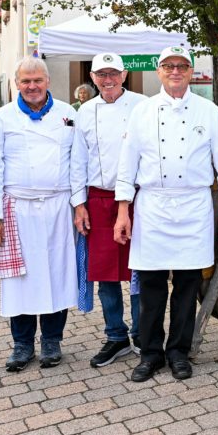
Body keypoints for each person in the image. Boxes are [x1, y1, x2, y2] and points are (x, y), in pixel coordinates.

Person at [114, 46, 218, 382]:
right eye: (168, 66)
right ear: (159, 71)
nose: (175, 71)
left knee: (187, 287)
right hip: (152, 206)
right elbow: (127, 164)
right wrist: (122, 211)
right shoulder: (142, 112)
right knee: (151, 288)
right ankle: (151, 354)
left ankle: (179, 352)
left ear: (191, 71)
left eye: (182, 66)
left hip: (194, 207)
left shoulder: (208, 111)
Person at [0, 57, 83, 372]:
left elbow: (77, 165)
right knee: (19, 281)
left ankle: (52, 341)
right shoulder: (1, 119)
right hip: (17, 210)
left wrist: (80, 205)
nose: (32, 86)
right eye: (26, 81)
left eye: (37, 80)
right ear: (16, 84)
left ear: (47, 81)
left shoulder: (68, 114)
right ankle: (22, 345)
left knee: (57, 276)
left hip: (57, 208)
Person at [71, 52, 146, 367]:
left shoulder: (144, 105)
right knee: (105, 274)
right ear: (93, 77)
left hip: (139, 198)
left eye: (113, 72)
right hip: (98, 199)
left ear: (125, 75)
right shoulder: (85, 112)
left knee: (142, 269)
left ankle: (143, 335)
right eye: (101, 74)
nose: (108, 79)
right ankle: (116, 336)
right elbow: (78, 160)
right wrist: (78, 204)